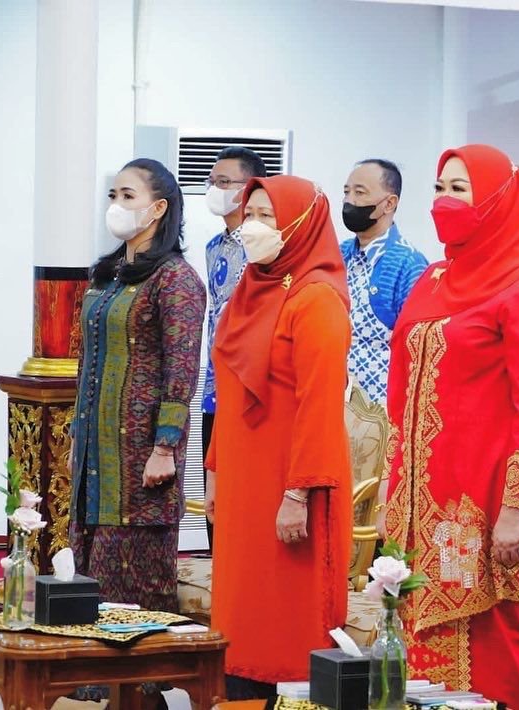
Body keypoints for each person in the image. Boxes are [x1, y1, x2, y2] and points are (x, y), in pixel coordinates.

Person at [375, 144, 519, 710]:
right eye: (439, 188)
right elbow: (398, 392)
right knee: (410, 619)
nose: (444, 200)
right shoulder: (433, 279)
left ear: (499, 201)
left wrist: (516, 509)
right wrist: (389, 485)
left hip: (479, 503)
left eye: (460, 189)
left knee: (482, 629)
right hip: (416, 501)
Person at [205, 176, 353, 703]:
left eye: (268, 216)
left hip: (292, 485)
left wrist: (297, 493)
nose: (253, 226)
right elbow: (227, 390)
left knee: (286, 612)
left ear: (301, 224)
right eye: (250, 214)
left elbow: (319, 406)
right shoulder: (249, 292)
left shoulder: (317, 299)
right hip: (245, 480)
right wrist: (215, 470)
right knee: (240, 608)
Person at [69, 158, 205, 617]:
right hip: (95, 454)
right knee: (85, 578)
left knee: (131, 588)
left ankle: (144, 664)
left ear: (158, 208)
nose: (117, 204)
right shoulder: (106, 275)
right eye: (114, 195)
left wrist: (165, 446)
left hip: (142, 457)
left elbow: (182, 369)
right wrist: (79, 436)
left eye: (128, 196)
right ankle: (90, 663)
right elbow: (87, 359)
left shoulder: (175, 279)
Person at [202, 146, 267, 550]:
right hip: (214, 386)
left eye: (224, 182)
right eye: (212, 181)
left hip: (250, 386)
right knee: (214, 494)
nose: (215, 189)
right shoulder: (213, 247)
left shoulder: (265, 247)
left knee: (246, 498)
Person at [341, 158, 428, 403]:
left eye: (360, 192)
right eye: (346, 192)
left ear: (389, 203)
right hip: (333, 398)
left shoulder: (409, 263)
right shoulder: (339, 253)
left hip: (379, 408)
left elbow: (417, 347)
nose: (349, 201)